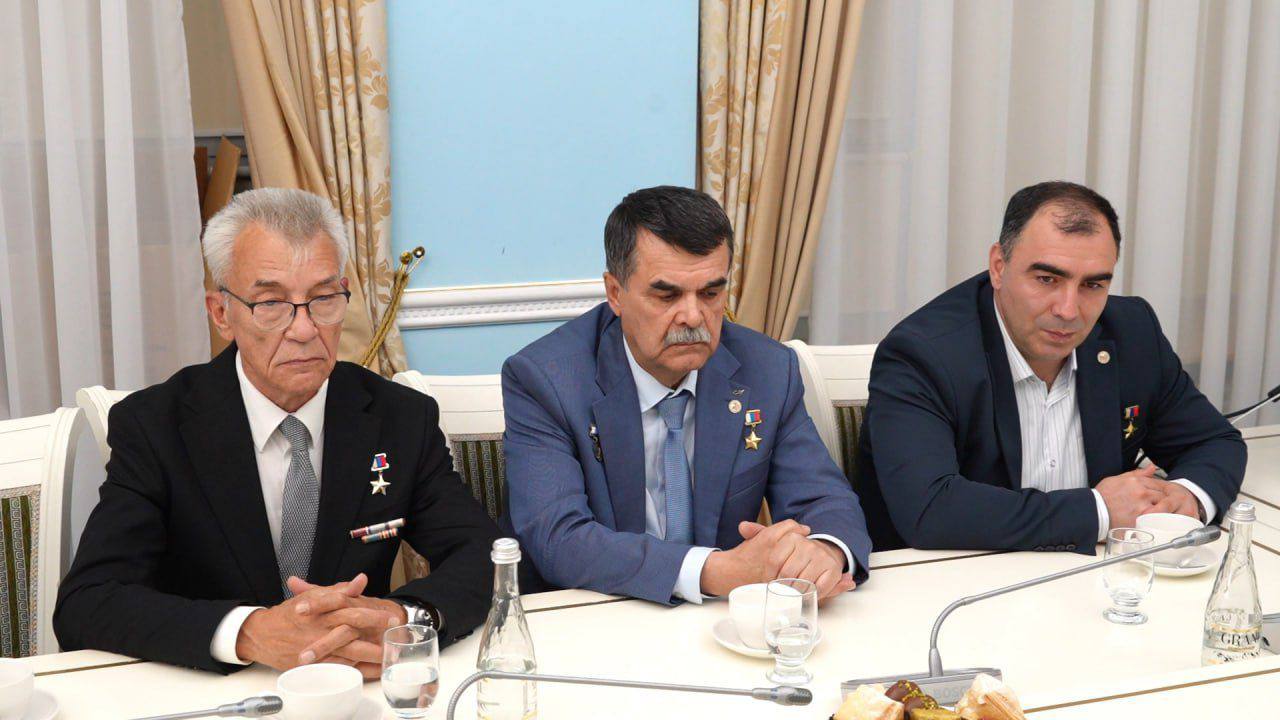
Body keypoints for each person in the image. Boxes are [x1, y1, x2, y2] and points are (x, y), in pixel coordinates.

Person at [55, 188, 500, 675]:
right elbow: (87, 602)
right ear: (221, 313)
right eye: (271, 303)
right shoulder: (156, 426)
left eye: (323, 299)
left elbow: (486, 555)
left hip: (355, 684)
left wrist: (400, 617)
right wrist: (249, 632)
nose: (304, 330)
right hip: (216, 692)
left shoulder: (400, 418)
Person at [502, 185, 872, 606]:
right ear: (616, 293)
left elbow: (825, 499)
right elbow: (559, 538)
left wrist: (823, 552)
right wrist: (713, 571)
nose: (694, 316)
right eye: (667, 295)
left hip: (722, 621)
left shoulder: (767, 369)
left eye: (710, 293)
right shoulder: (546, 380)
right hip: (594, 613)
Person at [856, 181, 1246, 552]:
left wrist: (1187, 497)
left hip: (1098, 576)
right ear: (998, 266)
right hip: (951, 581)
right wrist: (1099, 512)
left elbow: (1212, 441)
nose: (1068, 310)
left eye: (1093, 285)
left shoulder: (1132, 331)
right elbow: (931, 510)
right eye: (1046, 279)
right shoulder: (923, 353)